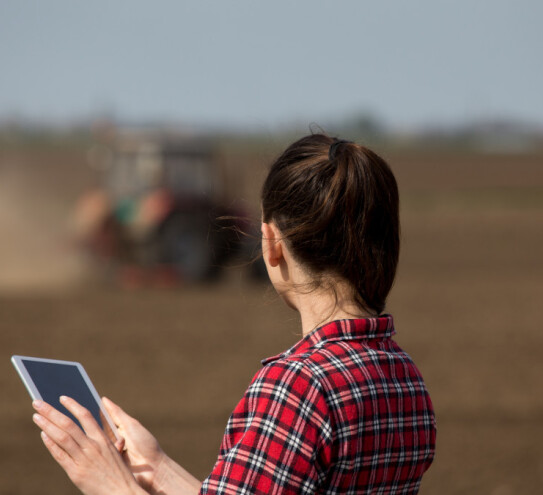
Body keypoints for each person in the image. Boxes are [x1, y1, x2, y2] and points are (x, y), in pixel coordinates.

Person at [31, 133, 437, 494]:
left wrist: (110, 483)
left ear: (273, 243)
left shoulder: (297, 388)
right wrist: (156, 468)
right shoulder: (404, 376)